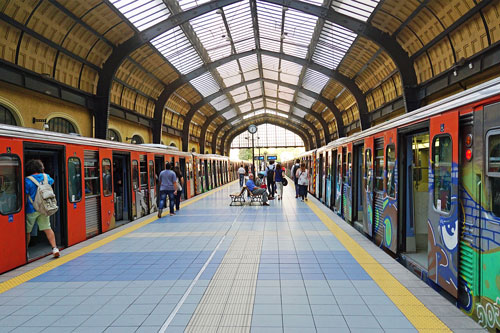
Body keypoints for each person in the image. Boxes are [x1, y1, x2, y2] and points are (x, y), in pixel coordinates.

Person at [24, 160, 60, 258]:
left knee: (27, 231)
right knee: (47, 228)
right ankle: (54, 248)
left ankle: (25, 251)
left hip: (31, 209)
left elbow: (26, 196)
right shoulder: (46, 177)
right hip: (44, 208)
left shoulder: (27, 180)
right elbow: (51, 182)